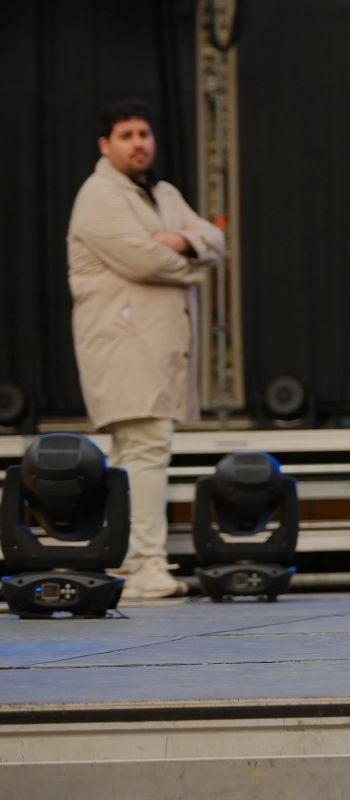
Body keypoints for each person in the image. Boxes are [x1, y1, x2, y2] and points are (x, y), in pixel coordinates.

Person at [66, 100, 226, 601]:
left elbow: (216, 237)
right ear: (105, 145)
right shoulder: (98, 195)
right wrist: (190, 256)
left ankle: (134, 562)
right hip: (123, 345)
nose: (139, 142)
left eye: (144, 133)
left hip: (155, 348)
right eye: (126, 135)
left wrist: (176, 239)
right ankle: (146, 566)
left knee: (137, 451)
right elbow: (142, 259)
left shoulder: (163, 193)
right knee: (146, 446)